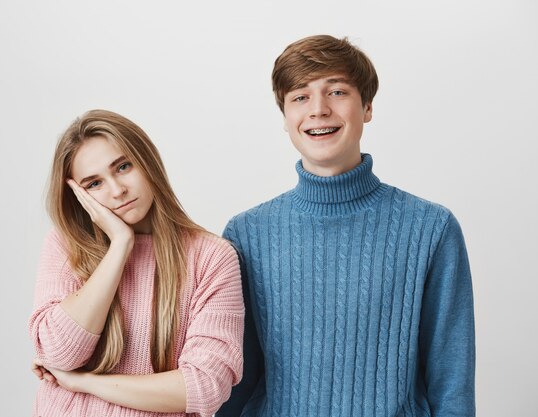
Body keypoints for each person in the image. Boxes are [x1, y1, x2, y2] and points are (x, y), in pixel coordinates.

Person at [216, 35, 475, 417]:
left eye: (336, 91)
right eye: (300, 97)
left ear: (367, 106)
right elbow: (236, 380)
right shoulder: (246, 234)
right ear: (285, 118)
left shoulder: (432, 229)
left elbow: (452, 384)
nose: (318, 110)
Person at [29, 109, 244, 417]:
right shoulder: (66, 245)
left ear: (147, 162)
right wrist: (120, 245)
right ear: (77, 195)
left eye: (124, 166)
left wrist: (87, 383)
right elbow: (59, 353)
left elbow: (204, 386)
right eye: (94, 183)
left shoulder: (211, 257)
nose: (118, 190)